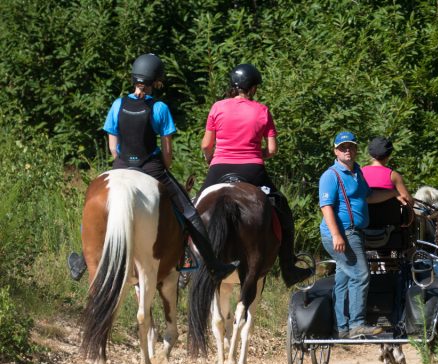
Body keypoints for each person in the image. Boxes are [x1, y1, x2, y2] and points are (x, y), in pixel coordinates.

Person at [67, 53, 237, 282]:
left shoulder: (118, 105)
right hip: (151, 168)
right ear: (155, 80)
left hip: (121, 166)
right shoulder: (160, 108)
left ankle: (81, 261)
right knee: (189, 212)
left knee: (91, 209)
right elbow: (167, 154)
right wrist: (163, 167)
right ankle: (214, 266)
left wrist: (124, 162)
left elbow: (112, 147)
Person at [199, 63, 313, 287]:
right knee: (281, 208)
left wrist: (211, 157)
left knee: (194, 210)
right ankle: (289, 268)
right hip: (252, 170)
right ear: (252, 89)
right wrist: (253, 153)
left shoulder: (217, 107)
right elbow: (271, 150)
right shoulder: (262, 110)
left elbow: (206, 145)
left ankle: (185, 262)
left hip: (219, 167)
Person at [319, 131, 409, 339]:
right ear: (335, 151)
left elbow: (369, 196)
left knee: (343, 278)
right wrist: (336, 235)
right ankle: (357, 324)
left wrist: (394, 194)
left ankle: (341, 327)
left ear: (357, 150)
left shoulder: (357, 172)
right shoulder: (331, 176)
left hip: (354, 232)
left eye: (350, 147)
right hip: (343, 233)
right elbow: (326, 207)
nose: (347, 151)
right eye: (342, 148)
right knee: (361, 274)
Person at [361, 136, 414, 207]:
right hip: (390, 217)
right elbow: (408, 201)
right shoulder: (393, 175)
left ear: (370, 153)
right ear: (389, 155)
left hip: (364, 217)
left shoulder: (359, 172)